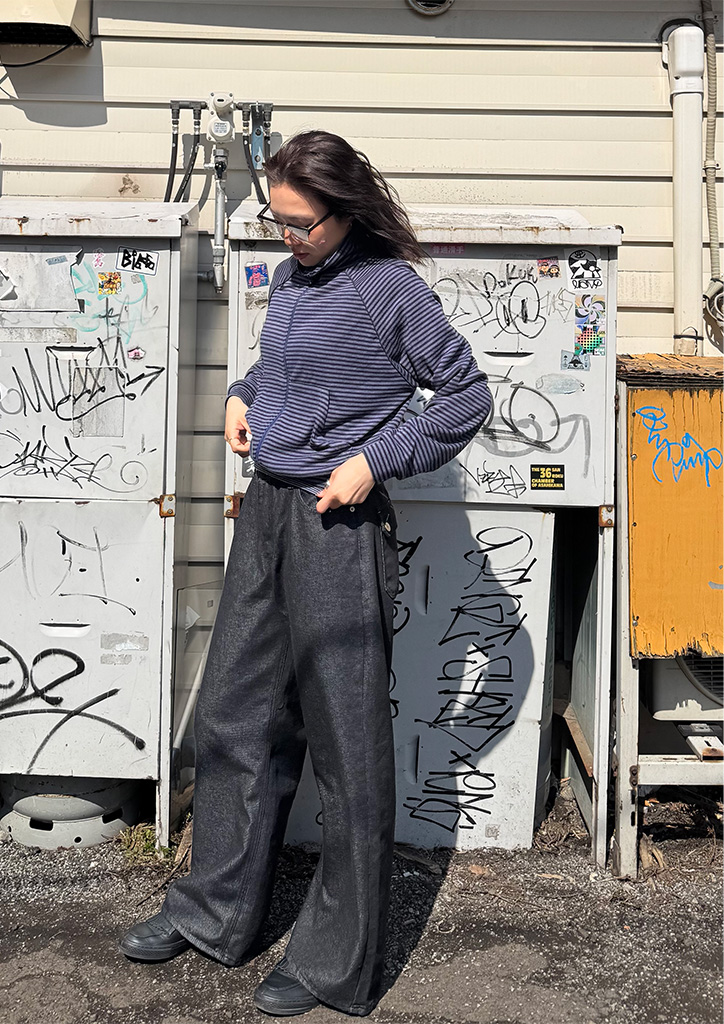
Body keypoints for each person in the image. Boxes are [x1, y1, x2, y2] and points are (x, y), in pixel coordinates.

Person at [119, 130, 492, 1017]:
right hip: (268, 513)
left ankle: (334, 962)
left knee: (344, 742)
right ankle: (213, 912)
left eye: (301, 224)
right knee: (234, 713)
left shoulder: (390, 289)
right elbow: (284, 370)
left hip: (338, 522)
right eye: (278, 222)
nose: (287, 238)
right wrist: (242, 395)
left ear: (343, 212)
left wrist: (373, 461)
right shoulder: (292, 279)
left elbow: (467, 395)